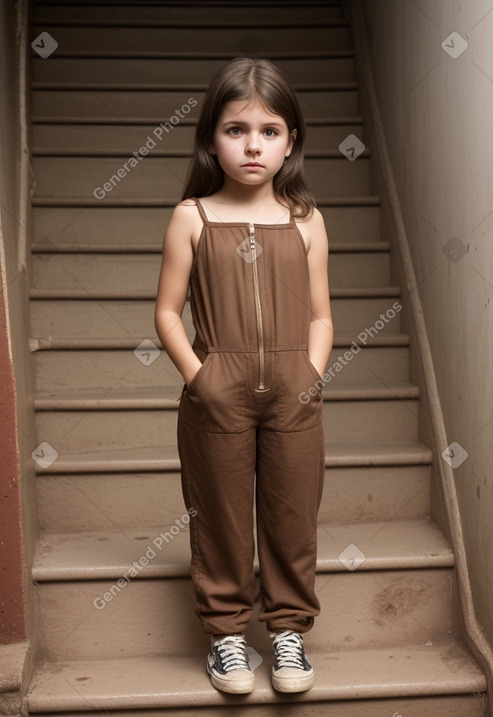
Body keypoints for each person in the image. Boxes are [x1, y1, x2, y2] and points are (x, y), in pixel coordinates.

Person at [155, 57, 333, 696]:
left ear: (291, 143)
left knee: (292, 513)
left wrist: (310, 374)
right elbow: (167, 313)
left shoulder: (304, 218)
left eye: (269, 130)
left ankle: (288, 635)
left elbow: (320, 315)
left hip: (293, 390)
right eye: (235, 129)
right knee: (221, 513)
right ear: (211, 138)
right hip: (217, 392)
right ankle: (227, 637)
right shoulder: (192, 217)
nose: (253, 143)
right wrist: (200, 377)